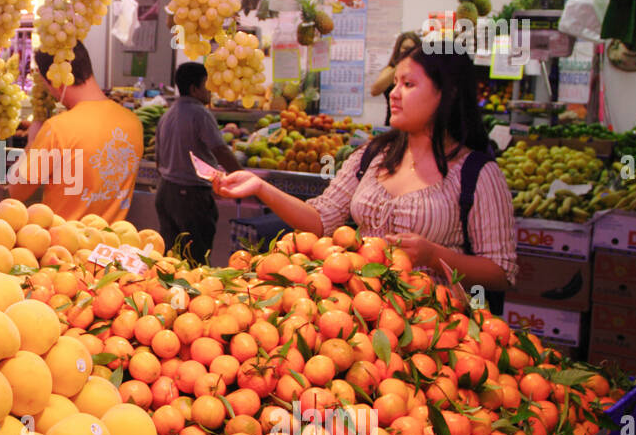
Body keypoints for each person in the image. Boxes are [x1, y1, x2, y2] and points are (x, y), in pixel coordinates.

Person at [214, 43, 517, 295]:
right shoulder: (372, 156)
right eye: (395, 82)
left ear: (447, 94)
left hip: (433, 332)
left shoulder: (477, 174)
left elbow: (501, 273)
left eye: (408, 84)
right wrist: (261, 187)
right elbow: (321, 220)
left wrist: (433, 256)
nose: (393, 93)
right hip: (358, 319)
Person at [7, 42, 143, 222]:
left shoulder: (57, 129)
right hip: (111, 243)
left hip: (65, 244)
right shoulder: (133, 122)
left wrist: (32, 142)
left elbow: (16, 191)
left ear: (55, 80)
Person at [154, 61, 241, 263]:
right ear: (194, 88)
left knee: (170, 259)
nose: (210, 91)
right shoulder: (200, 114)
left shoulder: (167, 115)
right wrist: (242, 176)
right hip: (191, 198)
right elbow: (220, 150)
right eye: (207, 86)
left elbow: (158, 160)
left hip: (165, 193)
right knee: (196, 260)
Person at [370, 30, 421, 125]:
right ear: (398, 49)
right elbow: (374, 90)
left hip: (413, 124)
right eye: (405, 49)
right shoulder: (391, 69)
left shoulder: (421, 73)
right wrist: (400, 66)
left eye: (412, 49)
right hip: (392, 124)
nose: (408, 52)